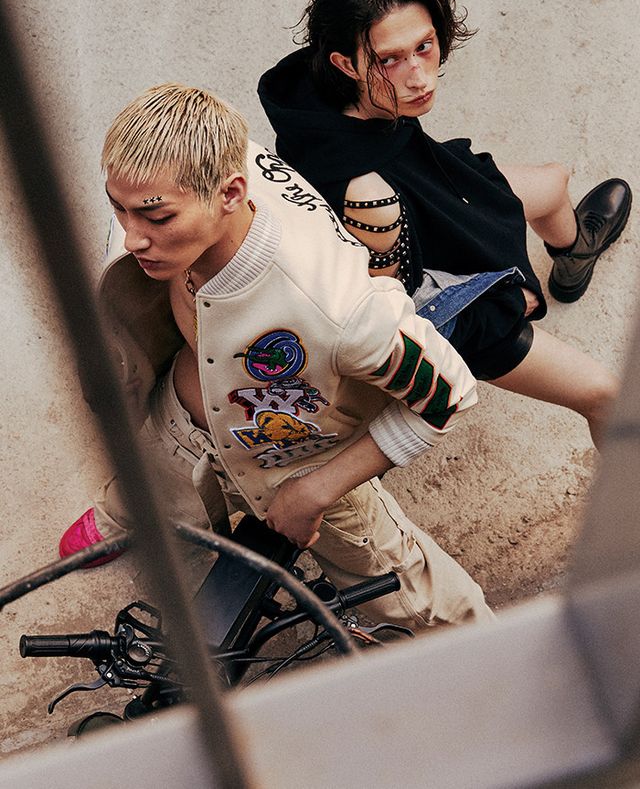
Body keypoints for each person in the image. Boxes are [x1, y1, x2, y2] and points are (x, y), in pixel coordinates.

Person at [59, 82, 494, 628]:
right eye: (118, 209)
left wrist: (316, 491)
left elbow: (449, 394)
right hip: (184, 418)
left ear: (231, 193)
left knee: (419, 609)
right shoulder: (193, 167)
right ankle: (132, 512)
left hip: (297, 458)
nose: (131, 238)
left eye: (157, 218)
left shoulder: (338, 309)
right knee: (153, 478)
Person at [258, 0, 632, 449]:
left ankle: (574, 256)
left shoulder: (312, 84)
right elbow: (394, 319)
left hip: (429, 187)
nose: (418, 77)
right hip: (450, 304)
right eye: (390, 60)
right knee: (607, 395)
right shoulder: (369, 201)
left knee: (552, 183)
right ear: (345, 63)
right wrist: (500, 300)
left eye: (424, 46)